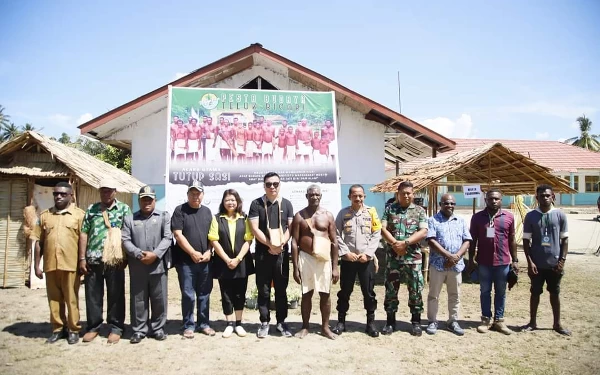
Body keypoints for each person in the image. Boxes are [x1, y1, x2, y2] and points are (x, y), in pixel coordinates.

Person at [31, 182, 85, 344]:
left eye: (62, 194)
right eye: (56, 194)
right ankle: (58, 329)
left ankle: (74, 329)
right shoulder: (45, 216)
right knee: (54, 299)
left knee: (71, 299)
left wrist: (83, 262)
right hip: (51, 265)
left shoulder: (79, 215)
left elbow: (84, 240)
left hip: (71, 265)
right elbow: (39, 242)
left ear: (71, 196)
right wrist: (36, 265)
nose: (58, 196)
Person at [79, 179, 131, 344]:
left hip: (115, 260)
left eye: (109, 190)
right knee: (93, 294)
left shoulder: (124, 209)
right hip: (93, 259)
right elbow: (84, 233)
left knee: (116, 294)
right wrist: (82, 258)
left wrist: (127, 257)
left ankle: (116, 327)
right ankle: (93, 326)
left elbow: (129, 233)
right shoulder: (92, 210)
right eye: (103, 191)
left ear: (115, 191)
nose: (106, 194)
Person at [122, 186, 172, 344]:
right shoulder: (130, 219)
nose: (147, 202)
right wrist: (138, 253)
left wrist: (155, 254)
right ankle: (139, 330)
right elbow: (125, 240)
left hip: (158, 266)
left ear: (155, 200)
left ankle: (158, 328)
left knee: (159, 299)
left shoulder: (164, 217)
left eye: (150, 199)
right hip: (138, 267)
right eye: (144, 199)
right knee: (138, 300)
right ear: (139, 201)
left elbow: (167, 238)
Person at [248, 172, 294, 338]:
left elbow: (291, 228)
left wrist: (280, 245)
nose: (272, 187)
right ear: (264, 186)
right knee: (264, 289)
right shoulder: (256, 204)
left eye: (275, 184)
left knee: (281, 290)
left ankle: (281, 322)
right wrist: (270, 245)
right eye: (269, 184)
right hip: (263, 253)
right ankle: (264, 322)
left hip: (281, 253)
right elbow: (254, 228)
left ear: (279, 185)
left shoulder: (287, 204)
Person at [332, 184, 382, 338]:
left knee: (368, 292)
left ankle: (370, 323)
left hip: (365, 260)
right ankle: (341, 322)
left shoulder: (371, 213)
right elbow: (336, 234)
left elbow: (376, 233)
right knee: (345, 291)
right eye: (354, 195)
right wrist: (345, 253)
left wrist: (368, 254)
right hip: (348, 260)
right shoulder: (343, 213)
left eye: (360, 195)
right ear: (349, 197)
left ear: (364, 197)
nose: (358, 198)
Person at [291, 185, 340, 340]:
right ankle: (305, 326)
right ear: (306, 196)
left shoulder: (328, 215)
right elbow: (294, 242)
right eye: (311, 195)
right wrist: (295, 268)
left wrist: (335, 267)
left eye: (317, 195)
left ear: (321, 196)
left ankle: (325, 327)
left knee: (325, 294)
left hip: (324, 259)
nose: (314, 197)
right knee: (307, 294)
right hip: (306, 258)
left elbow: (334, 242)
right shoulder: (299, 216)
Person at [521, 185, 571, 336]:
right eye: (541, 196)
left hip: (555, 264)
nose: (545, 198)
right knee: (535, 293)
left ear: (553, 197)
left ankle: (557, 323)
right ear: (537, 198)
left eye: (547, 195)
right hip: (537, 264)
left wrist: (562, 260)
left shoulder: (560, 215)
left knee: (555, 293)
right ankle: (532, 322)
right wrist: (530, 262)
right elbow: (525, 242)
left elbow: (565, 240)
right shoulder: (530, 216)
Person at [468, 188, 518, 335]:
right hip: (484, 262)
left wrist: (515, 260)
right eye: (490, 199)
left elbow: (512, 240)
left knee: (501, 292)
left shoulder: (508, 217)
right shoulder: (477, 218)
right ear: (486, 200)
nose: (494, 201)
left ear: (501, 200)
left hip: (503, 262)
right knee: (485, 291)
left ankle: (499, 320)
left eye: (496, 199)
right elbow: (472, 240)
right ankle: (485, 319)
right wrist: (471, 260)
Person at [380, 181, 428, 336]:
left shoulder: (420, 210)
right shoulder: (389, 209)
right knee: (391, 291)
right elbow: (382, 228)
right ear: (397, 194)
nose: (406, 196)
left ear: (413, 194)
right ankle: (390, 322)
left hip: (412, 259)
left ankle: (416, 322)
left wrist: (406, 243)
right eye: (403, 193)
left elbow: (423, 231)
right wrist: (395, 243)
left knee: (415, 290)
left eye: (409, 193)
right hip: (393, 258)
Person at [208, 189, 255, 338]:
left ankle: (239, 323)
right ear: (223, 202)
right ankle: (229, 324)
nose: (230, 202)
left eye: (233, 200)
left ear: (238, 201)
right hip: (223, 263)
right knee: (226, 293)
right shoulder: (217, 218)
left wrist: (238, 259)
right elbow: (213, 239)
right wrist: (227, 259)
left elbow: (249, 239)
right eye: (227, 200)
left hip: (241, 262)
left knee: (240, 293)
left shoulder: (244, 218)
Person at [171, 180, 215, 338]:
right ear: (187, 194)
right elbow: (178, 234)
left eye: (198, 193)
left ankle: (204, 324)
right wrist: (192, 252)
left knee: (204, 294)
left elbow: (213, 235)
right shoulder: (180, 210)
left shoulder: (208, 212)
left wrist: (210, 251)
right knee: (188, 294)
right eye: (192, 193)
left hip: (205, 262)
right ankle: (188, 324)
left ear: (203, 194)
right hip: (185, 262)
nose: (195, 196)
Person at [425, 194, 471, 336]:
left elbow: (467, 240)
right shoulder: (432, 220)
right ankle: (432, 321)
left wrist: (456, 257)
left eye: (452, 203)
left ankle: (453, 321)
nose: (449, 206)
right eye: (446, 203)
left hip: (456, 266)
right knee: (434, 295)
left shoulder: (461, 221)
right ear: (440, 204)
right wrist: (448, 255)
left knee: (455, 294)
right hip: (438, 264)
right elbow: (431, 240)